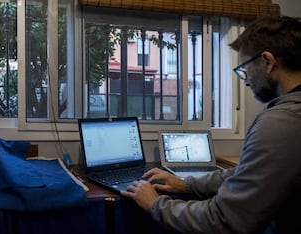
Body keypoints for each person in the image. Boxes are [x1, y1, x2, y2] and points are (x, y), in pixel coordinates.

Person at [121, 16, 301, 233]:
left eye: (245, 69)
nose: (245, 80)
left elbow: (224, 220)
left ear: (268, 62)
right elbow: (246, 174)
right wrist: (186, 184)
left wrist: (155, 204)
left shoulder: (280, 122)